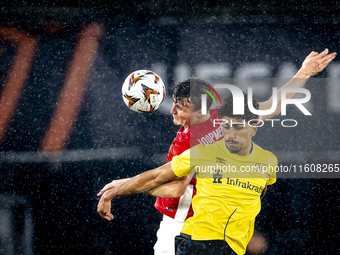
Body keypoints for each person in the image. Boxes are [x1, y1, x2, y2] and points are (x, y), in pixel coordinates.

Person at [97, 49, 336, 254]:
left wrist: (127, 187)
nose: (172, 111)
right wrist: (303, 73)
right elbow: (273, 105)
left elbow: (175, 187)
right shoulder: (222, 119)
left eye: (179, 107)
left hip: (184, 223)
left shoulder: (184, 144)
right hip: (216, 225)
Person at [97, 93, 277, 255]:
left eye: (238, 127)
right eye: (226, 127)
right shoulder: (199, 151)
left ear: (253, 128)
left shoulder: (267, 162)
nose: (230, 134)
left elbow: (254, 195)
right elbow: (159, 178)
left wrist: (304, 71)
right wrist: (118, 190)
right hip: (194, 239)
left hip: (231, 246)